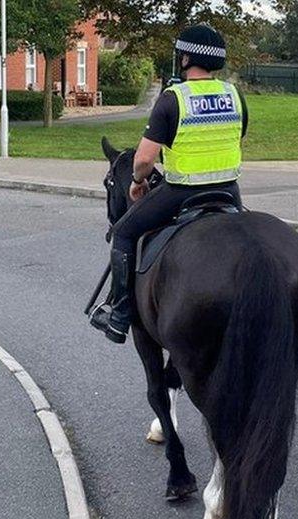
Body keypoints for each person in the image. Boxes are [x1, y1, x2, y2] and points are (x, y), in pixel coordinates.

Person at [91, 24, 248, 343]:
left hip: (182, 192)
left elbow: (145, 160)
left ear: (186, 57)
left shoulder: (174, 98)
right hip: (230, 192)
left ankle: (119, 313)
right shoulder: (235, 95)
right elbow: (238, 134)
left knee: (123, 232)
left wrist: (137, 181)